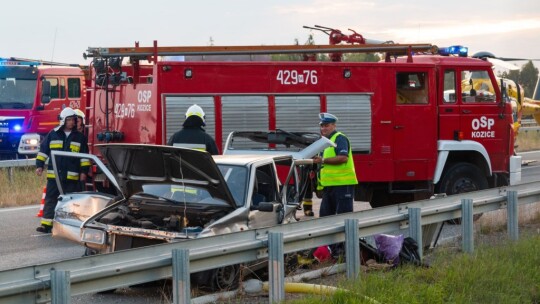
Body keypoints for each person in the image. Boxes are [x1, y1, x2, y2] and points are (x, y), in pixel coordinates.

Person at [35, 107, 90, 233]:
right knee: (51, 198)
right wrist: (39, 165)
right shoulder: (52, 134)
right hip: (54, 175)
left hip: (71, 177)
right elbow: (43, 151)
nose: (72, 122)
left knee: (72, 202)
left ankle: (71, 225)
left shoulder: (80, 137)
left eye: (74, 120)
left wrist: (83, 172)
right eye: (70, 120)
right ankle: (46, 224)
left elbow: (84, 157)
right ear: (63, 120)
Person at [312, 113, 358, 217]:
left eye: (327, 125)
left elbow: (343, 158)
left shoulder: (339, 138)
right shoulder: (325, 142)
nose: (323, 128)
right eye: (322, 126)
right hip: (329, 186)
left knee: (343, 217)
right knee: (325, 217)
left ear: (334, 126)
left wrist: (322, 160)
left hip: (342, 184)